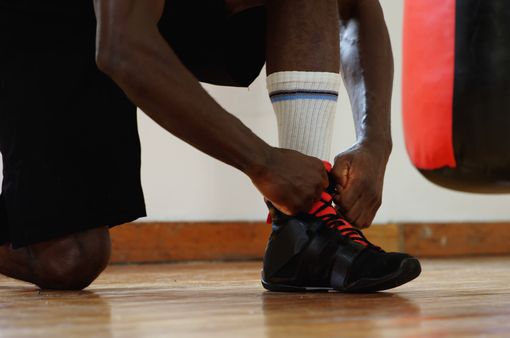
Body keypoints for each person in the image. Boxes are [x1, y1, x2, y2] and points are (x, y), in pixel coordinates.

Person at [0, 0, 420, 291]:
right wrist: (263, 163)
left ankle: (304, 231)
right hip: (46, 18)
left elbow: (357, 9)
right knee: (70, 259)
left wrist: (375, 142)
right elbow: (123, 48)